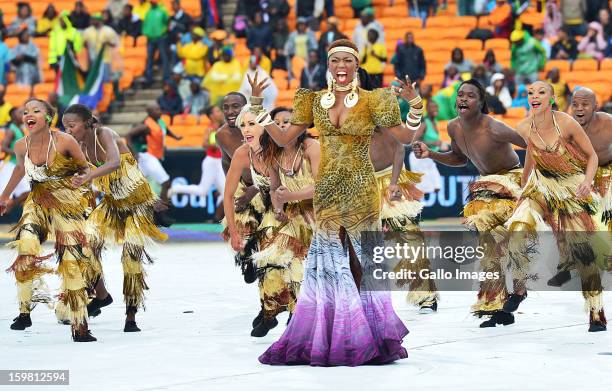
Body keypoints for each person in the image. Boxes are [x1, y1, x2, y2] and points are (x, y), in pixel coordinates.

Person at [252, 38, 423, 366]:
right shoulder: (313, 100)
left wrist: (415, 105)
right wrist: (259, 107)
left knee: (362, 263)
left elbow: (405, 138)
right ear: (328, 66)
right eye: (335, 61)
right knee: (329, 264)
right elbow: (285, 138)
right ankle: (337, 333)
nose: (341, 67)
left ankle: (366, 333)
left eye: (347, 60)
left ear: (356, 65)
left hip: (361, 187)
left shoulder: (376, 100)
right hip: (328, 189)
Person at [413, 79, 527, 328]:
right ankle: (497, 304)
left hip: (511, 183)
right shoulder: (454, 127)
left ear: (481, 102)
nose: (463, 99)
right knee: (490, 245)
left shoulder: (494, 128)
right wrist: (430, 154)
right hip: (486, 186)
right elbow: (459, 159)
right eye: (460, 94)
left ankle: (517, 288)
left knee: (505, 243)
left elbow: (534, 146)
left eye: (470, 96)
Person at [503, 81, 606, 332]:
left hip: (570, 187)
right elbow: (531, 155)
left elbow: (592, 156)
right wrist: (523, 188)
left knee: (583, 252)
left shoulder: (566, 122)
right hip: (540, 186)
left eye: (541, 92)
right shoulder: (524, 126)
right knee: (516, 230)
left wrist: (587, 182)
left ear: (550, 98)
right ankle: (519, 288)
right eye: (530, 93)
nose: (534, 96)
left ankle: (596, 312)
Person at [62, 103, 167, 332]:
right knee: (85, 243)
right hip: (111, 204)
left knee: (131, 259)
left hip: (138, 205)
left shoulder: (105, 134)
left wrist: (87, 175)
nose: (68, 130)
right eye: (65, 127)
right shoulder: (77, 146)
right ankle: (101, 295)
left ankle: (131, 316)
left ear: (87, 122)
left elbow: (114, 162)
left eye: (72, 125)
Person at [0, 99, 96, 342]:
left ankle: (79, 323)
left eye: (35, 110)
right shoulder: (21, 145)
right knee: (26, 246)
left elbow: (85, 169)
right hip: (38, 200)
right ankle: (24, 310)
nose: (28, 114)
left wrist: (82, 184)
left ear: (49, 117)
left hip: (66, 201)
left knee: (72, 261)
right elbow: (20, 169)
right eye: (25, 111)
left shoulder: (65, 140)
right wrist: (4, 195)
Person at [228, 106, 319, 337]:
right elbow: (232, 194)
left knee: (289, 259)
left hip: (295, 207)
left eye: (252, 124)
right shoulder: (241, 152)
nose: (246, 129)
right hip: (267, 205)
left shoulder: (282, 148)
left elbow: (278, 185)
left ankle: (294, 312)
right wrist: (236, 232)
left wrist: (277, 200)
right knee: (267, 257)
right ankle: (267, 306)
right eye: (243, 125)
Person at [370, 115, 439, 311]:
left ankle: (425, 294)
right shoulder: (341, 117)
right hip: (361, 186)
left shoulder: (377, 112)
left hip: (390, 179)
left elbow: (400, 147)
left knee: (410, 236)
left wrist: (393, 183)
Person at [168, 105, 226, 220]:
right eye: (217, 111)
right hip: (211, 162)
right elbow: (204, 144)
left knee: (226, 193)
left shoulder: (223, 125)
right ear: (211, 116)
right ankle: (177, 188)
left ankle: (220, 217)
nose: (220, 113)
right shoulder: (210, 128)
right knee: (203, 191)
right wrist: (216, 144)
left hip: (220, 162)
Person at [571, 88, 611, 233]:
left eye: (585, 104)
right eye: (575, 104)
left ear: (595, 106)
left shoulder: (608, 123)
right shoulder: (566, 127)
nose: (579, 108)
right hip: (580, 175)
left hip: (608, 172)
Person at [127, 103, 183, 204]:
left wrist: (175, 137)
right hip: (147, 155)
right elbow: (128, 135)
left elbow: (165, 129)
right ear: (149, 113)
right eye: (156, 110)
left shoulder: (159, 121)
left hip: (152, 156)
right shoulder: (145, 125)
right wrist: (134, 153)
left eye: (159, 109)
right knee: (166, 183)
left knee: (138, 186)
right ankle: (161, 212)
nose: (160, 112)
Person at [409, 100, 445, 194]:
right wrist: (432, 143)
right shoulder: (424, 123)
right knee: (421, 191)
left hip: (429, 158)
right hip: (419, 158)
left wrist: (439, 145)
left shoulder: (435, 122)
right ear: (427, 109)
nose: (435, 109)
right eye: (432, 107)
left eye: (436, 107)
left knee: (437, 187)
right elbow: (413, 141)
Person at [0, 107, 30, 214]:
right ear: (13, 116)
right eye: (20, 112)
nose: (23, 115)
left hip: (19, 167)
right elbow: (3, 147)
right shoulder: (11, 130)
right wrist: (18, 153)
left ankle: (10, 205)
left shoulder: (20, 129)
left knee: (28, 192)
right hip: (9, 166)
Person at [83, 13, 119, 82]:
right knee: (94, 80)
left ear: (99, 21)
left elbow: (115, 44)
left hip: (105, 59)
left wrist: (107, 43)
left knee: (105, 79)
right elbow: (84, 44)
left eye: (94, 20)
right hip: (92, 59)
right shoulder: (88, 31)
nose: (92, 21)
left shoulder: (108, 31)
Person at [143, 0, 170, 87]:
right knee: (149, 58)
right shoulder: (149, 11)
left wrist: (163, 32)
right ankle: (149, 78)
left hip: (161, 37)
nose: (151, 3)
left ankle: (166, 78)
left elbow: (167, 22)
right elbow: (145, 23)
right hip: (150, 38)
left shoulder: (162, 10)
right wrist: (146, 32)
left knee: (164, 57)